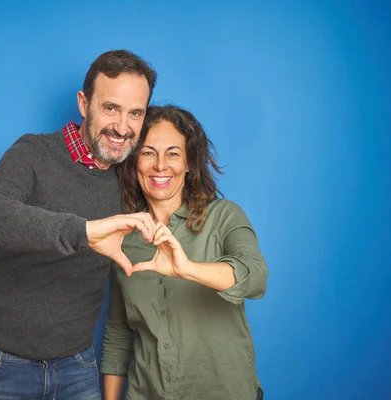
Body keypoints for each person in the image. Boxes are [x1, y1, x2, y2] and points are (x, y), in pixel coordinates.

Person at [0, 50, 158, 400]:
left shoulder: (128, 179)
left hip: (77, 368)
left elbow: (177, 168)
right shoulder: (34, 152)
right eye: (110, 108)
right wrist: (83, 232)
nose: (122, 127)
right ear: (84, 103)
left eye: (135, 113)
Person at [101, 105, 268, 400]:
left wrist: (186, 268)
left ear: (189, 162)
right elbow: (117, 333)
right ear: (134, 161)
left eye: (173, 153)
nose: (161, 166)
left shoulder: (224, 216)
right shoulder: (124, 239)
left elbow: (255, 278)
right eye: (149, 152)